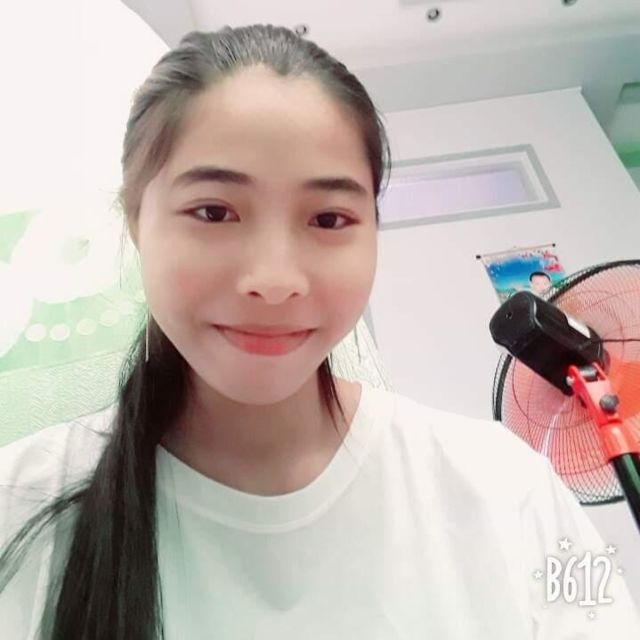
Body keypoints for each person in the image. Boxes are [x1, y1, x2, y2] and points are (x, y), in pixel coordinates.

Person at [1, 25, 639, 640]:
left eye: (329, 219)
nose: (275, 280)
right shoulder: (18, 504)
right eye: (214, 211)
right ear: (136, 223)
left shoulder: (508, 487)